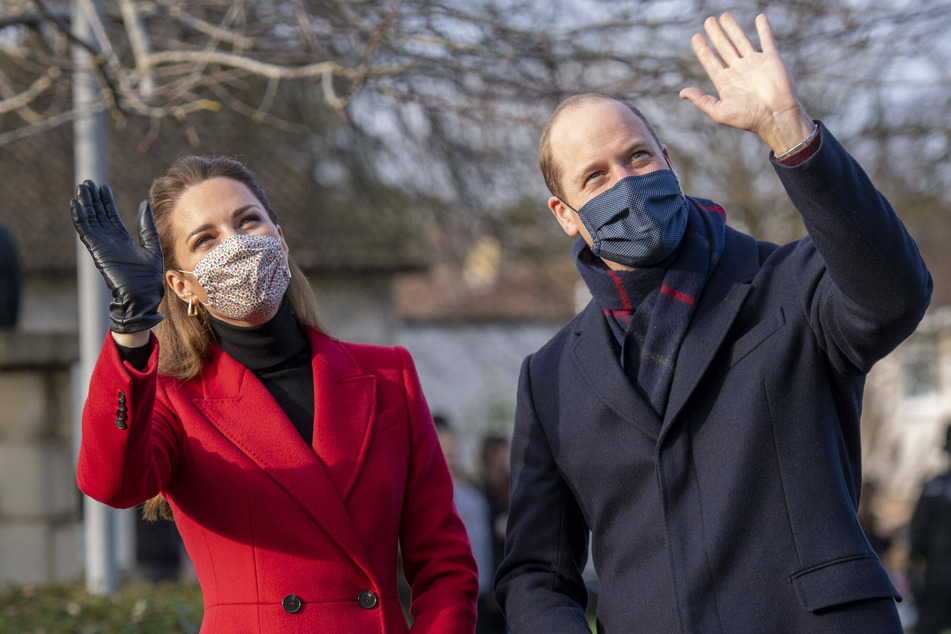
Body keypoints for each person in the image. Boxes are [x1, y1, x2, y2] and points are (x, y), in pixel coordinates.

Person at [494, 13, 931, 634]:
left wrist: (791, 133)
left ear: (668, 163)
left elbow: (895, 295)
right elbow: (536, 574)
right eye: (596, 175)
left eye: (638, 156)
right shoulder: (551, 377)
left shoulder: (789, 282)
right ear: (566, 215)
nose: (626, 182)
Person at [70, 156, 478, 633]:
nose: (237, 243)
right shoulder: (173, 400)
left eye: (248, 221)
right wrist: (130, 328)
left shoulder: (388, 375)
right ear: (181, 285)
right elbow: (112, 484)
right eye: (206, 239)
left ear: (279, 239)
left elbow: (444, 563)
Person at [433, 416, 499, 632]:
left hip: (483, 586)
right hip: (453, 588)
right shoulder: (434, 491)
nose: (451, 452)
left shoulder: (474, 488)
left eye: (454, 447)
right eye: (446, 447)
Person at [908, 424, 951, 634]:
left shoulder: (934, 486)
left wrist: (915, 562)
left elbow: (918, 531)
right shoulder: (934, 486)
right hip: (938, 568)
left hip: (937, 569)